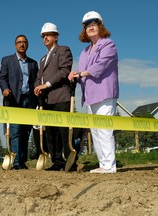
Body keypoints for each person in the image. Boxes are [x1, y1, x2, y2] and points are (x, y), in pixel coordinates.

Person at [68, 11, 119, 174]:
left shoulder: (108, 44)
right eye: (87, 25)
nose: (90, 27)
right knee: (95, 131)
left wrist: (81, 73)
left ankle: (110, 165)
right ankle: (103, 164)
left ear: (100, 26)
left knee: (104, 129)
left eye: (94, 24)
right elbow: (83, 71)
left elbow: (101, 65)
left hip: (104, 92)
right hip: (89, 96)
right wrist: (74, 74)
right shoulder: (84, 52)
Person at [34, 22, 73, 171]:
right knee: (51, 134)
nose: (45, 38)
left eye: (48, 35)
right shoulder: (43, 59)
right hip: (47, 100)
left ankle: (71, 163)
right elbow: (39, 76)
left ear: (56, 36)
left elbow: (64, 71)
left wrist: (46, 85)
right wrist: (37, 86)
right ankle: (57, 162)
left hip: (61, 97)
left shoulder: (63, 50)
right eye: (43, 36)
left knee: (64, 132)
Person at [0, 35, 39, 170]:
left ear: (27, 45)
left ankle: (22, 160)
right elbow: (2, 78)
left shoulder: (33, 64)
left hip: (29, 101)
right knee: (15, 131)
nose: (22, 44)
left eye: (24, 42)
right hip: (14, 100)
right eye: (19, 42)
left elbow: (36, 81)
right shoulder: (7, 60)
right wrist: (5, 89)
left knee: (26, 132)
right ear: (15, 45)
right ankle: (15, 162)